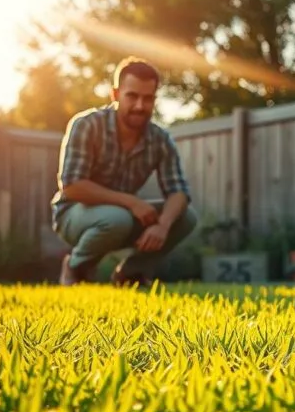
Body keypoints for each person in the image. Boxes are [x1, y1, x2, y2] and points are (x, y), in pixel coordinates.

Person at [52, 56, 198, 286]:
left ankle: (131, 273)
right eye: (132, 96)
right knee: (117, 219)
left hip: (124, 216)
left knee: (186, 217)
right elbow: (71, 186)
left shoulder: (160, 139)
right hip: (73, 214)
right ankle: (75, 267)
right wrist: (131, 202)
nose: (140, 106)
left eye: (147, 98)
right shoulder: (87, 125)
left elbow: (178, 191)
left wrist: (162, 225)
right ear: (115, 95)